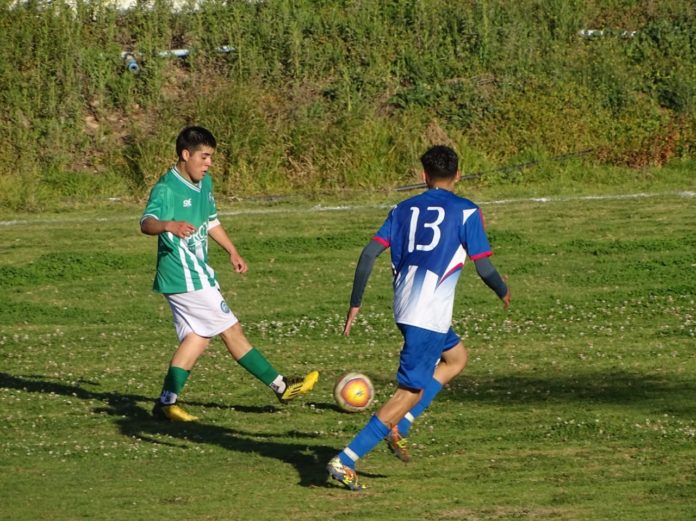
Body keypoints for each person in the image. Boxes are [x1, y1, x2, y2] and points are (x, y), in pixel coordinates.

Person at [327, 145, 510, 490]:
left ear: (423, 176)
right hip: (428, 315)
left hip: (407, 308)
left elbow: (369, 254)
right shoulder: (467, 211)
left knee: (455, 358)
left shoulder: (402, 208)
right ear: (458, 174)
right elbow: (483, 266)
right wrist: (503, 290)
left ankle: (402, 425)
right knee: (409, 391)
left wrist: (355, 302)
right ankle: (346, 459)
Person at [140, 125, 318, 422]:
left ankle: (165, 403)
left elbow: (211, 222)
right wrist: (168, 225)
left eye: (211, 157)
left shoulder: (204, 184)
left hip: (192, 273)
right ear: (186, 155)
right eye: (204, 157)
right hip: (185, 275)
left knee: (197, 337)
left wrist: (232, 251)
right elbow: (146, 223)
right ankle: (282, 386)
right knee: (230, 329)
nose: (209, 163)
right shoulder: (166, 189)